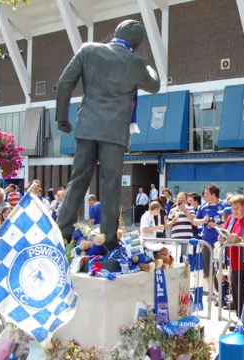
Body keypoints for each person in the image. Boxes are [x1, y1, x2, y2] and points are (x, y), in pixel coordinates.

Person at [55, 19, 161, 250]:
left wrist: (62, 117)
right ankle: (109, 239)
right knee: (111, 185)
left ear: (117, 32)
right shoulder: (137, 64)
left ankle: (61, 230)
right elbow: (154, 85)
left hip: (86, 127)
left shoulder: (89, 50)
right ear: (136, 43)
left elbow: (65, 83)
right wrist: (149, 66)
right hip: (114, 132)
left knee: (78, 178)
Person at [185, 184, 225, 281]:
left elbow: (228, 225)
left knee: (221, 271)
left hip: (221, 243)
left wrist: (215, 225)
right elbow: (195, 222)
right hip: (207, 242)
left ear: (213, 195)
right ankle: (211, 294)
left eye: (207, 193)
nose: (204, 195)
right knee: (207, 270)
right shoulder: (202, 207)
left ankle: (221, 294)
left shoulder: (224, 206)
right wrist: (204, 220)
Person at [168, 192, 195, 260]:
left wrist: (185, 211)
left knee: (185, 259)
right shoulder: (172, 210)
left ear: (186, 200)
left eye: (182, 200)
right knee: (175, 259)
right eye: (178, 200)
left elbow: (192, 220)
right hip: (175, 238)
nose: (180, 202)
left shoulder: (190, 209)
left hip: (187, 238)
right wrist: (172, 222)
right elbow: (167, 225)